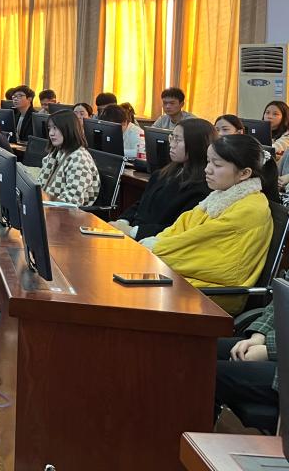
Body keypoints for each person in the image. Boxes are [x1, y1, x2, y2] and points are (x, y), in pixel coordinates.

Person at [141, 134, 275, 314]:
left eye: (217, 165)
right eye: (208, 161)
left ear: (244, 173)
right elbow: (182, 228)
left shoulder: (251, 209)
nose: (207, 169)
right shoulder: (220, 195)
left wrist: (155, 249)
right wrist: (154, 244)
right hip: (192, 280)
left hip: (215, 293)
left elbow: (204, 253)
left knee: (135, 289)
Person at [111, 119, 216, 240]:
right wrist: (123, 221)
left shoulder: (202, 186)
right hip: (133, 234)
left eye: (178, 140)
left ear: (196, 145)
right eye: (172, 138)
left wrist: (133, 231)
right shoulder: (162, 174)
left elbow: (179, 228)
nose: (171, 144)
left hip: (154, 242)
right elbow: (141, 204)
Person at [214, 294, 279, 433]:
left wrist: (269, 350)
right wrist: (258, 337)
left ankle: (186, 441)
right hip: (277, 342)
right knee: (199, 353)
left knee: (208, 374)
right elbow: (280, 303)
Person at [22, 110, 100, 207]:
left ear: (69, 129)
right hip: (47, 206)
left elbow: (71, 201)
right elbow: (40, 184)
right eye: (49, 128)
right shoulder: (56, 152)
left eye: (55, 128)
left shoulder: (79, 159)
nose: (51, 133)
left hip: (63, 212)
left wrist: (41, 204)